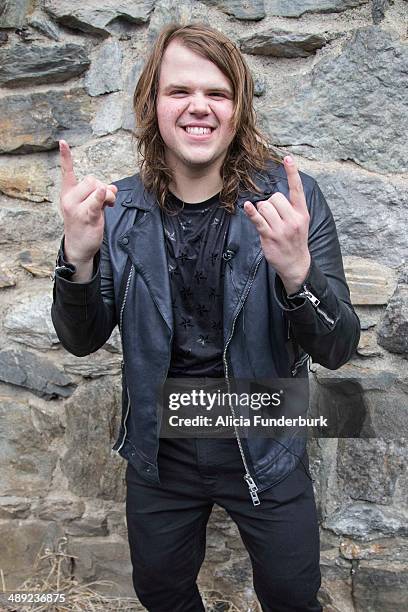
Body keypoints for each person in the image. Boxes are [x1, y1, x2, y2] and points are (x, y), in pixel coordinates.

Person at [51, 23, 360, 612]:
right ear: (153, 104)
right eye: (179, 92)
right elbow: (81, 340)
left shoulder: (290, 200)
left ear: (238, 108)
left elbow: (340, 346)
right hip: (159, 446)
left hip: (266, 437)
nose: (199, 107)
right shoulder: (117, 211)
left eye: (218, 93)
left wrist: (298, 273)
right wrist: (79, 257)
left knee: (294, 598)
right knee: (162, 593)